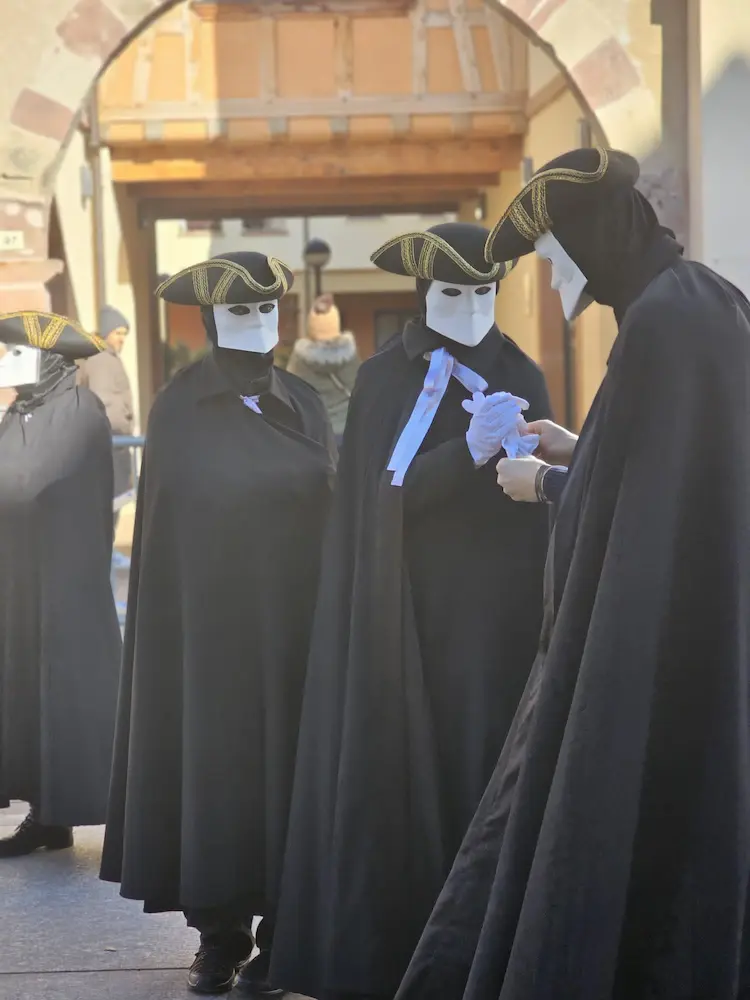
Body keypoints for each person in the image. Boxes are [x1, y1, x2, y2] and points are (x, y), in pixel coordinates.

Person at [395, 147, 750, 1000]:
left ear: (592, 241)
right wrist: (580, 449)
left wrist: (546, 482)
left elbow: (645, 510)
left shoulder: (661, 323)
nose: (557, 284)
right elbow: (668, 471)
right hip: (705, 623)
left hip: (661, 642)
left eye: (556, 260)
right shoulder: (703, 297)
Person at [269, 222, 552, 1000]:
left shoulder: (522, 369)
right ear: (425, 294)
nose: (469, 308)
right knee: (397, 770)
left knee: (480, 769)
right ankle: (390, 948)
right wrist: (464, 457)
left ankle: (478, 954)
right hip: (401, 614)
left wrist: (525, 460)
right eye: (452, 293)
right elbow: (373, 508)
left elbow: (539, 511)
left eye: (484, 292)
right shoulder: (385, 380)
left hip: (491, 624)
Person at [100, 251, 336, 996]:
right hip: (212, 635)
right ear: (208, 321)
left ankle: (288, 930)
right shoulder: (178, 407)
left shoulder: (302, 401)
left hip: (295, 625)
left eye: (268, 312)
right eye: (238, 313)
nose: (256, 327)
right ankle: (220, 934)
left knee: (292, 776)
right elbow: (174, 527)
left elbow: (329, 499)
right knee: (220, 779)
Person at [0, 312, 122, 858]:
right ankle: (42, 814)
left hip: (67, 575)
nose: (6, 360)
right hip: (18, 576)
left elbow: (62, 483)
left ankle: (69, 808)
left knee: (66, 691)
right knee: (26, 690)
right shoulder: (15, 415)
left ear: (46, 356)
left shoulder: (81, 411)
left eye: (14, 350)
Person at [81, 305, 135, 524]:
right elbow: (106, 404)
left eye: (124, 334)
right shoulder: (103, 360)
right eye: (118, 333)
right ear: (106, 333)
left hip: (112, 441)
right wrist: (122, 430)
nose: (122, 339)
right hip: (113, 441)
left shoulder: (104, 357)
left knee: (113, 500)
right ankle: (108, 555)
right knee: (113, 500)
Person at [286, 293, 361, 441]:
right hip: (347, 430)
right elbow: (361, 390)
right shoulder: (350, 356)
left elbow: (290, 392)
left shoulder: (300, 359)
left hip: (314, 431)